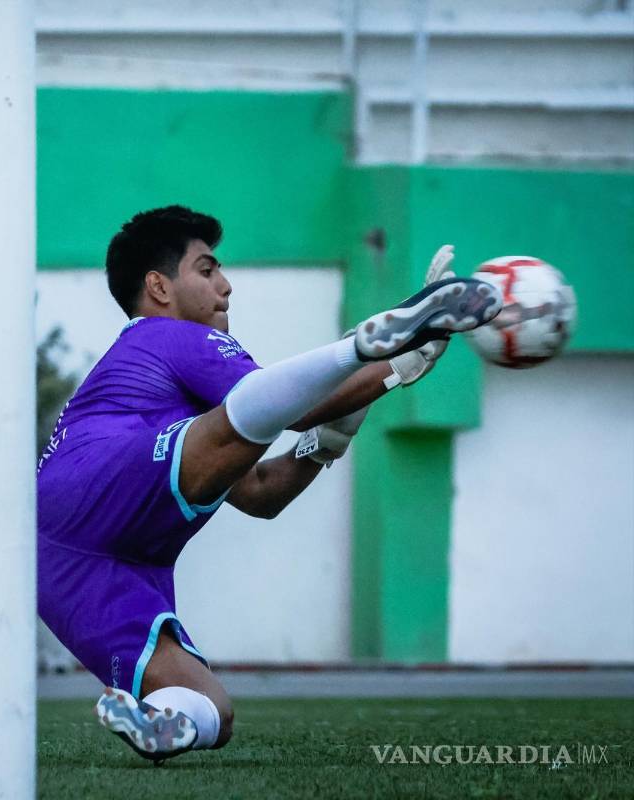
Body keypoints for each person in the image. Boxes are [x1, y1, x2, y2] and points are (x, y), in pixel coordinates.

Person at [36, 206, 498, 760]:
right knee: (255, 406)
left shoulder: (176, 405)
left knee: (211, 708)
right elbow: (295, 410)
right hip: (100, 483)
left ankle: (162, 726)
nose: (225, 287)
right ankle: (363, 342)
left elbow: (259, 493)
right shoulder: (170, 336)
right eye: (207, 271)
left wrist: (330, 441)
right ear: (158, 287)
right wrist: (399, 361)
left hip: (69, 561)